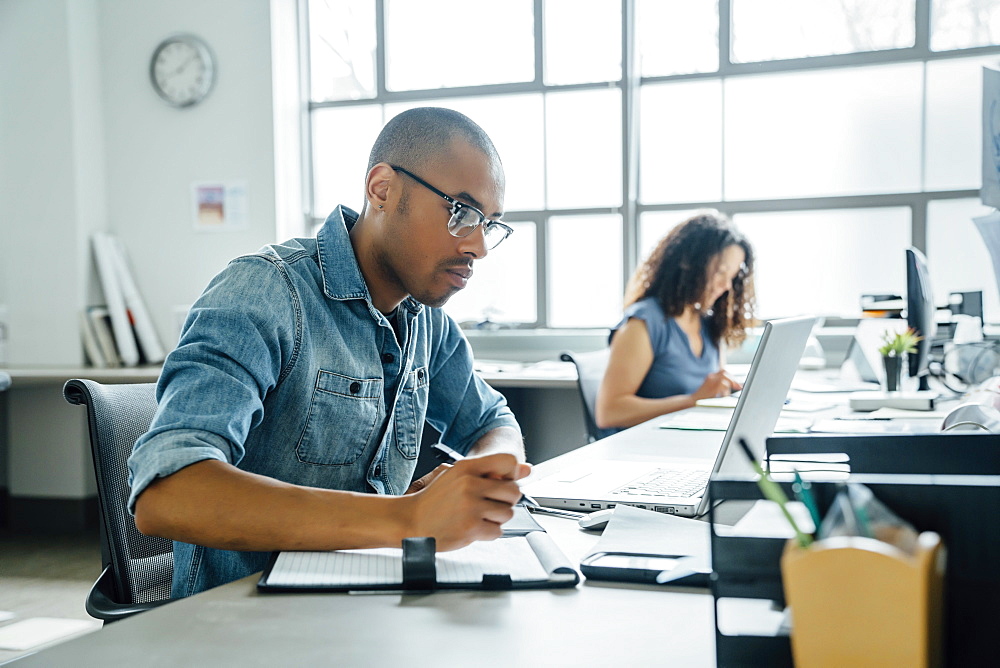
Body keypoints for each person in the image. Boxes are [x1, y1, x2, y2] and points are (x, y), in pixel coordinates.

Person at [128, 107, 530, 598]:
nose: (478, 248)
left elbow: (492, 419)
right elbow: (167, 494)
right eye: (461, 213)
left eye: (489, 224)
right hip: (246, 627)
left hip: (369, 607)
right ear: (382, 189)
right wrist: (409, 518)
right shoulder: (266, 292)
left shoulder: (427, 322)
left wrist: (488, 474)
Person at [594, 211, 755, 433]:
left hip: (689, 442)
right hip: (645, 451)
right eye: (720, 273)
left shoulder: (708, 324)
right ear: (689, 263)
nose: (726, 286)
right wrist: (693, 399)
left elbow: (710, 391)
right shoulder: (643, 323)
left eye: (732, 277)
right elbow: (609, 412)